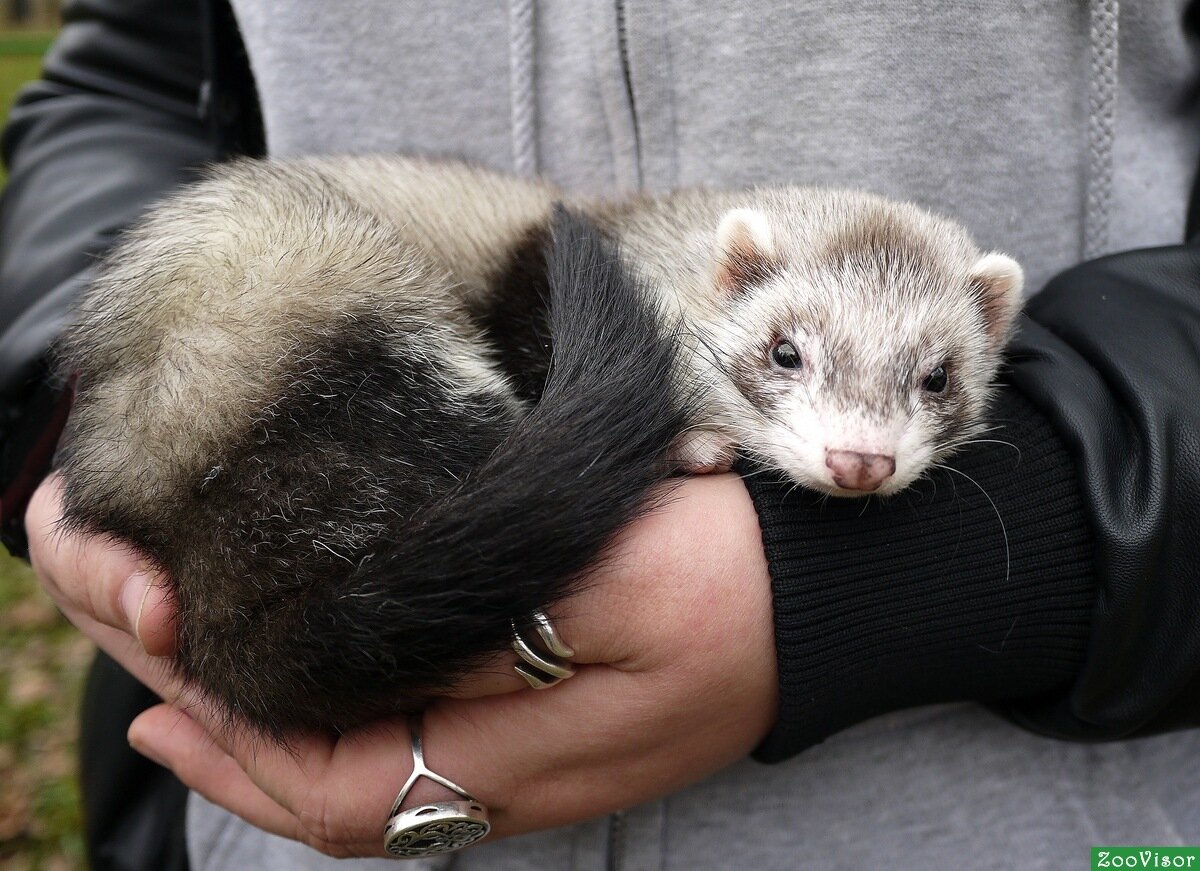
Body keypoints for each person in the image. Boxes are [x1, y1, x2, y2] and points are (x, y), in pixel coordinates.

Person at [4, 0, 1200, 868]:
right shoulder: (573, 280)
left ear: (991, 327)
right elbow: (132, 79)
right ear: (731, 283)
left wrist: (1062, 519)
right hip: (258, 455)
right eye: (788, 361)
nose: (861, 444)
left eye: (932, 387)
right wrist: (49, 396)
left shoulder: (684, 330)